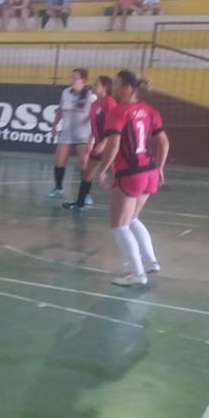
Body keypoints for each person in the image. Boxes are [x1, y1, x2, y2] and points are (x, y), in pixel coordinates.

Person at [93, 71, 169, 287]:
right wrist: (161, 168)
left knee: (119, 226)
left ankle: (138, 274)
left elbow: (113, 145)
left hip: (130, 173)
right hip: (149, 171)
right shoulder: (150, 111)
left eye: (116, 84)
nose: (113, 88)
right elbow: (163, 143)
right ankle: (150, 262)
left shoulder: (118, 112)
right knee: (132, 219)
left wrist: (102, 169)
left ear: (128, 88)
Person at [63, 75, 116, 211]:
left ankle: (124, 204)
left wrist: (104, 143)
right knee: (87, 174)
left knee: (117, 176)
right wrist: (92, 141)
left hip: (111, 146)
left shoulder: (110, 103)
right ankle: (79, 204)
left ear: (105, 87)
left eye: (96, 84)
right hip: (98, 144)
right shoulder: (94, 104)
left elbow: (114, 128)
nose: (93, 86)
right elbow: (94, 125)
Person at [47, 68, 95, 200]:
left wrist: (93, 138)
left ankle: (86, 193)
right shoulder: (66, 93)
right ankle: (58, 188)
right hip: (67, 133)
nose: (72, 80)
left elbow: (95, 117)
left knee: (84, 163)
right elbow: (61, 110)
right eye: (71, 77)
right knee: (59, 160)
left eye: (75, 78)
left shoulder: (90, 96)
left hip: (83, 135)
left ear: (83, 81)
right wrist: (54, 125)